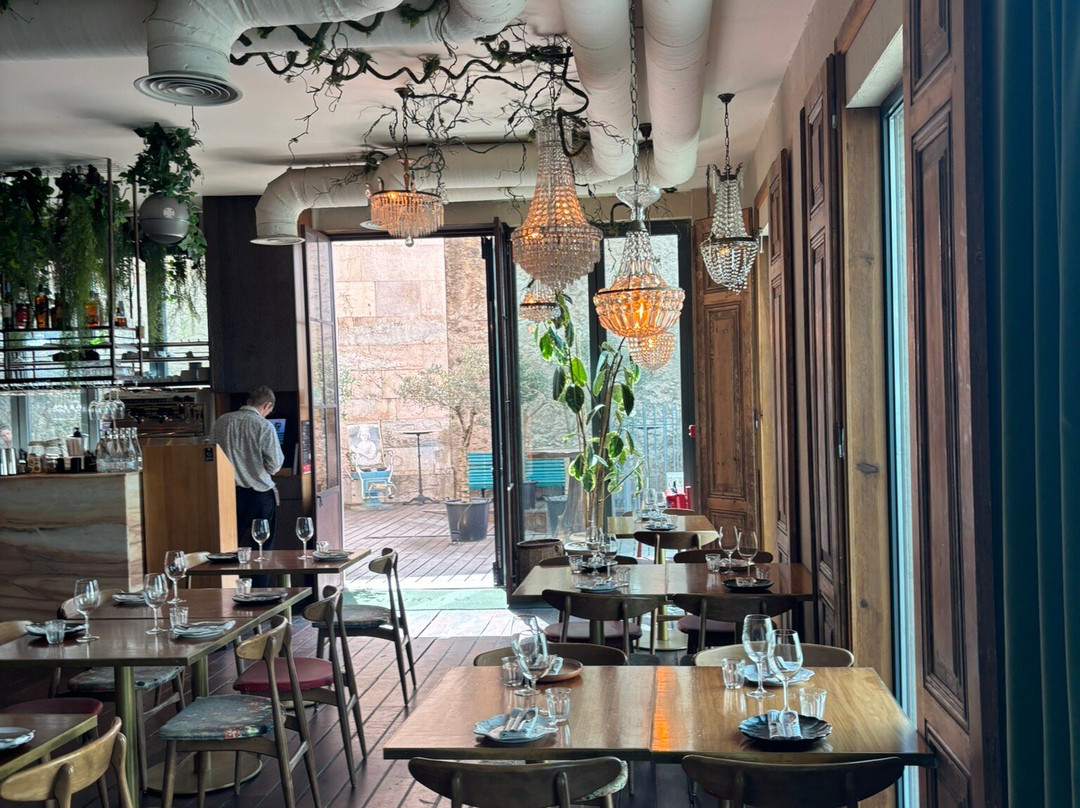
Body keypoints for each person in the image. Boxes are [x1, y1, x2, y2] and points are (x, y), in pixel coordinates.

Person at [210, 386, 284, 586]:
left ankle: (228, 590)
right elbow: (275, 465)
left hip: (227, 493)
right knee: (261, 549)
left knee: (227, 547)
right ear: (267, 405)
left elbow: (212, 454)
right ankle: (258, 593)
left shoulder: (221, 421)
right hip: (259, 495)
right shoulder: (263, 426)